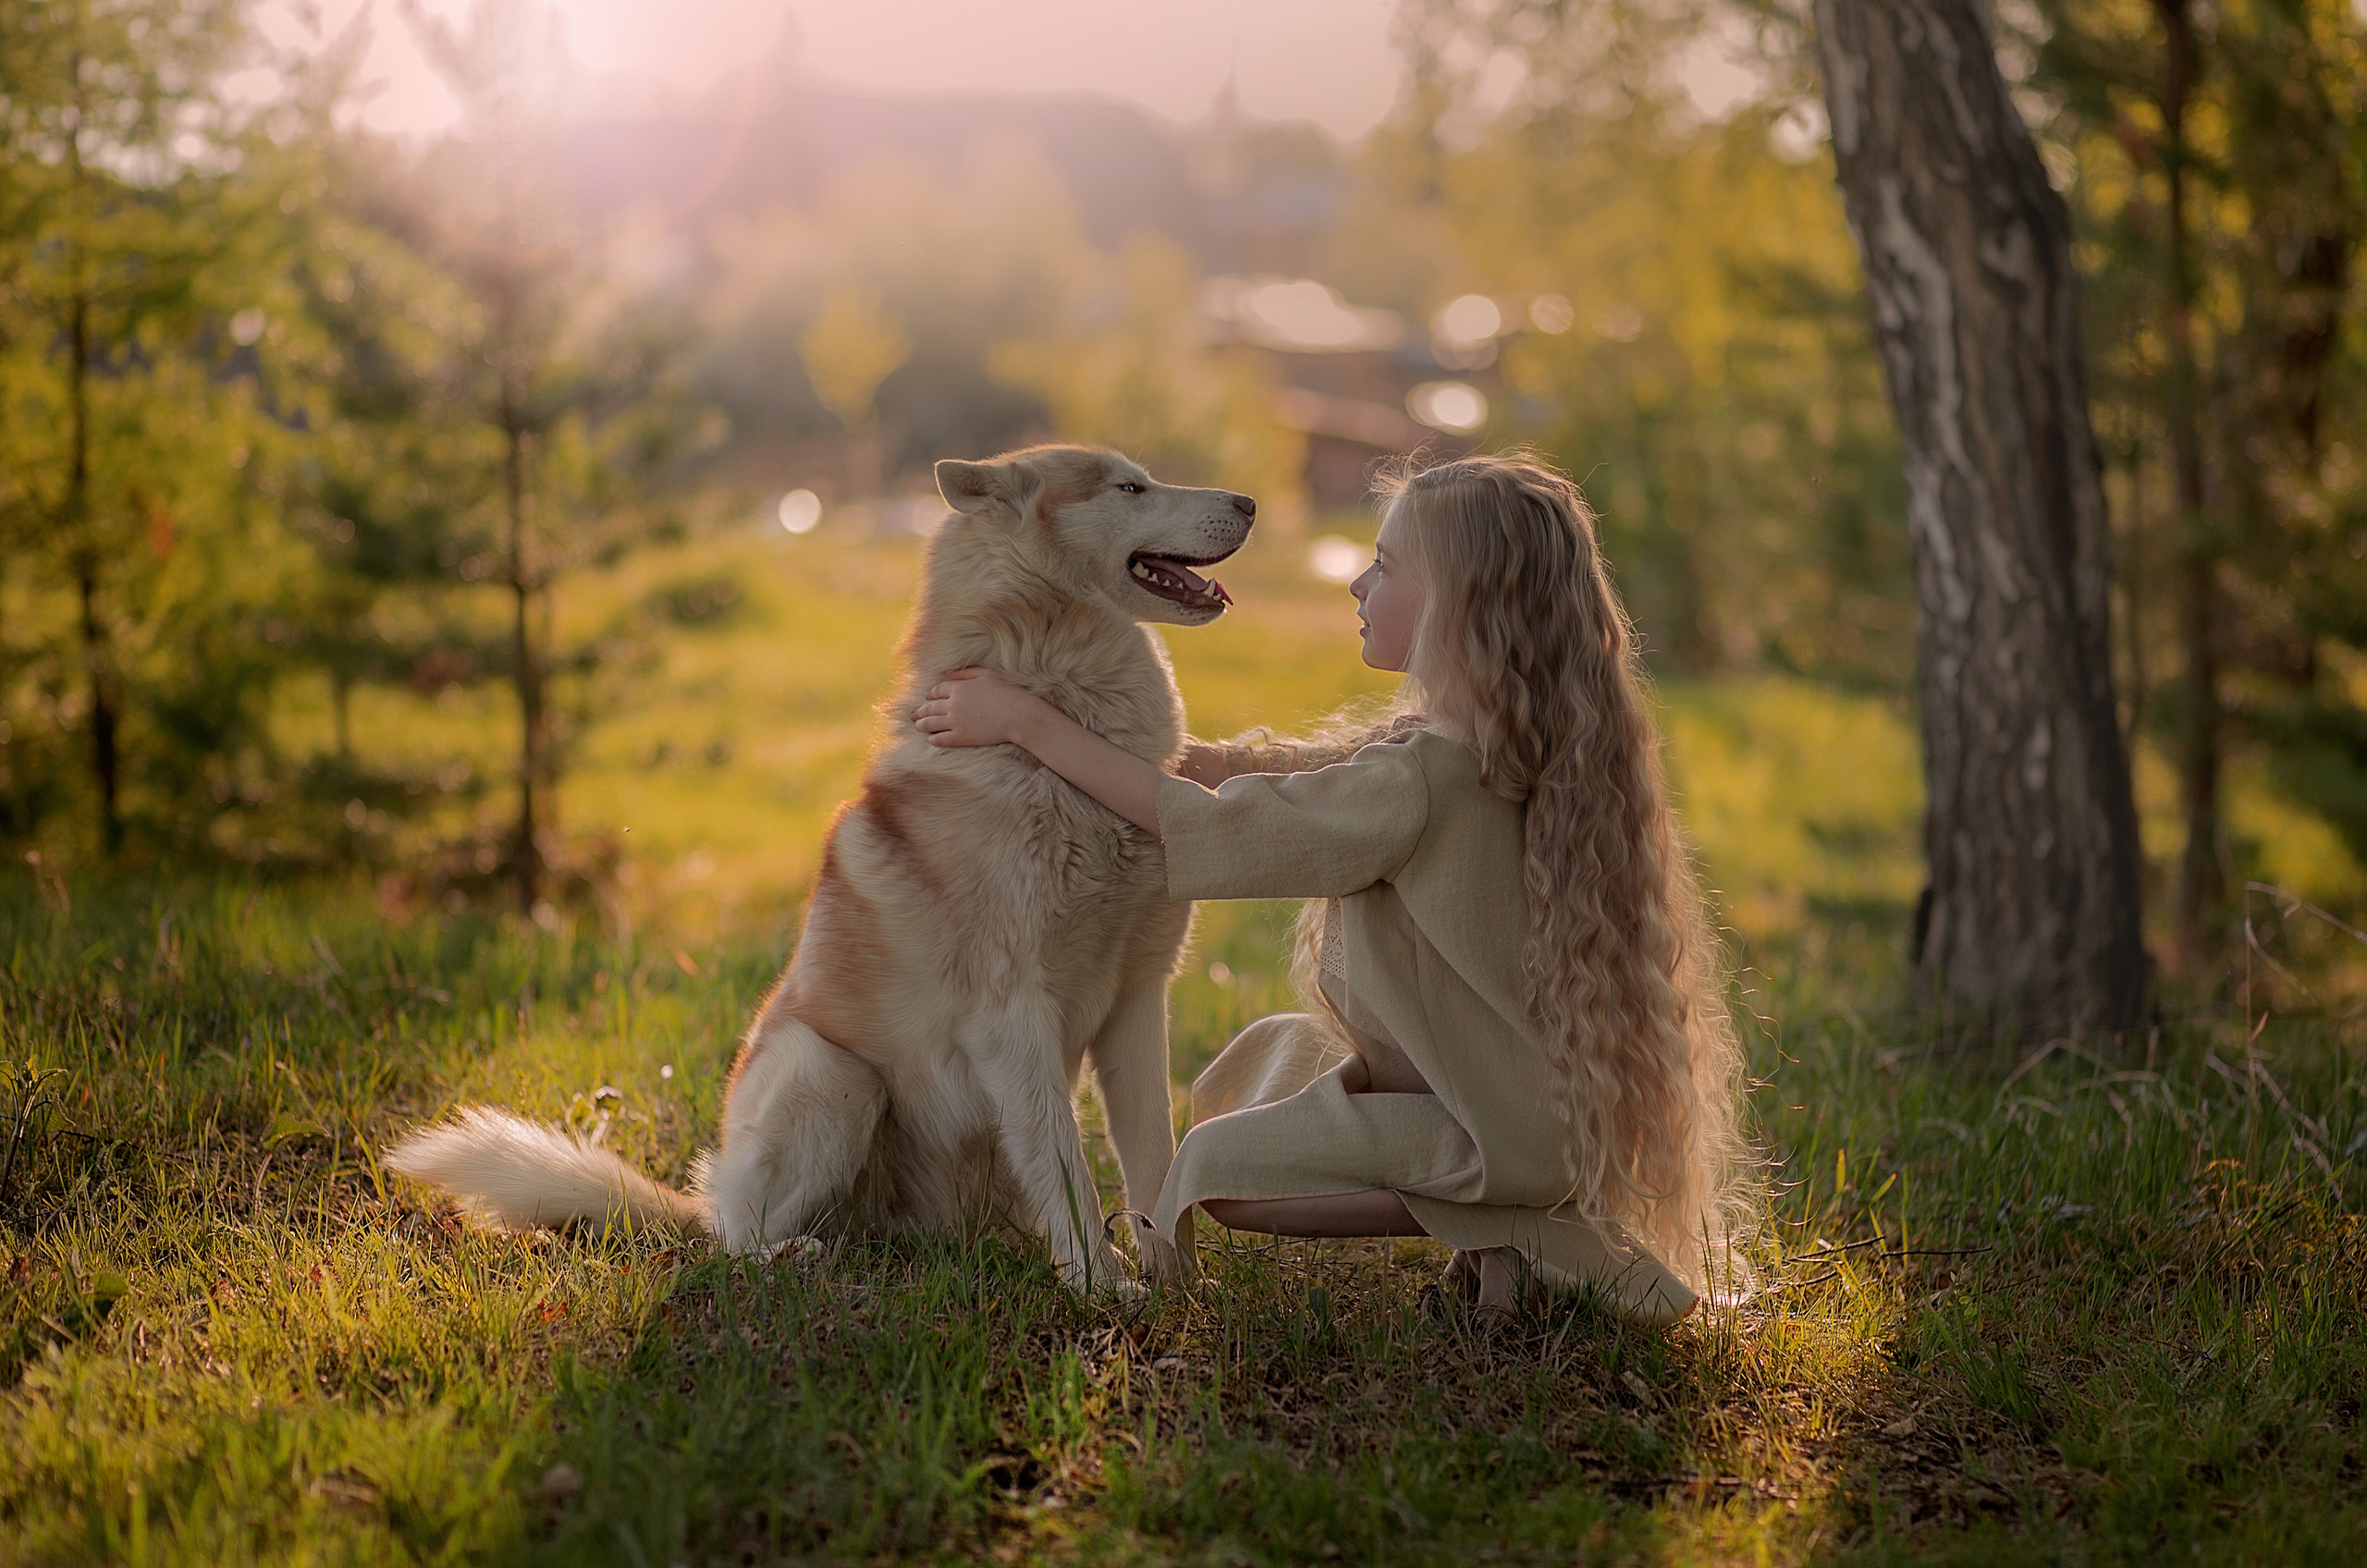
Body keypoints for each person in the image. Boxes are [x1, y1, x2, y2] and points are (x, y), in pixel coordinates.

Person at [911, 453, 1751, 1325]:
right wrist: (1162, 751)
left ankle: (1506, 1225)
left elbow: (1225, 827)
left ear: (1460, 605)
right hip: (1507, 1093)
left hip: (1486, 1125)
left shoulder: (1419, 780)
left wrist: (1026, 722)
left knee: (1214, 1174)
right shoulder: (1487, 742)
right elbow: (1304, 773)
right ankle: (1506, 1213)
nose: (1357, 583)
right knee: (1258, 1062)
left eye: (1384, 568)